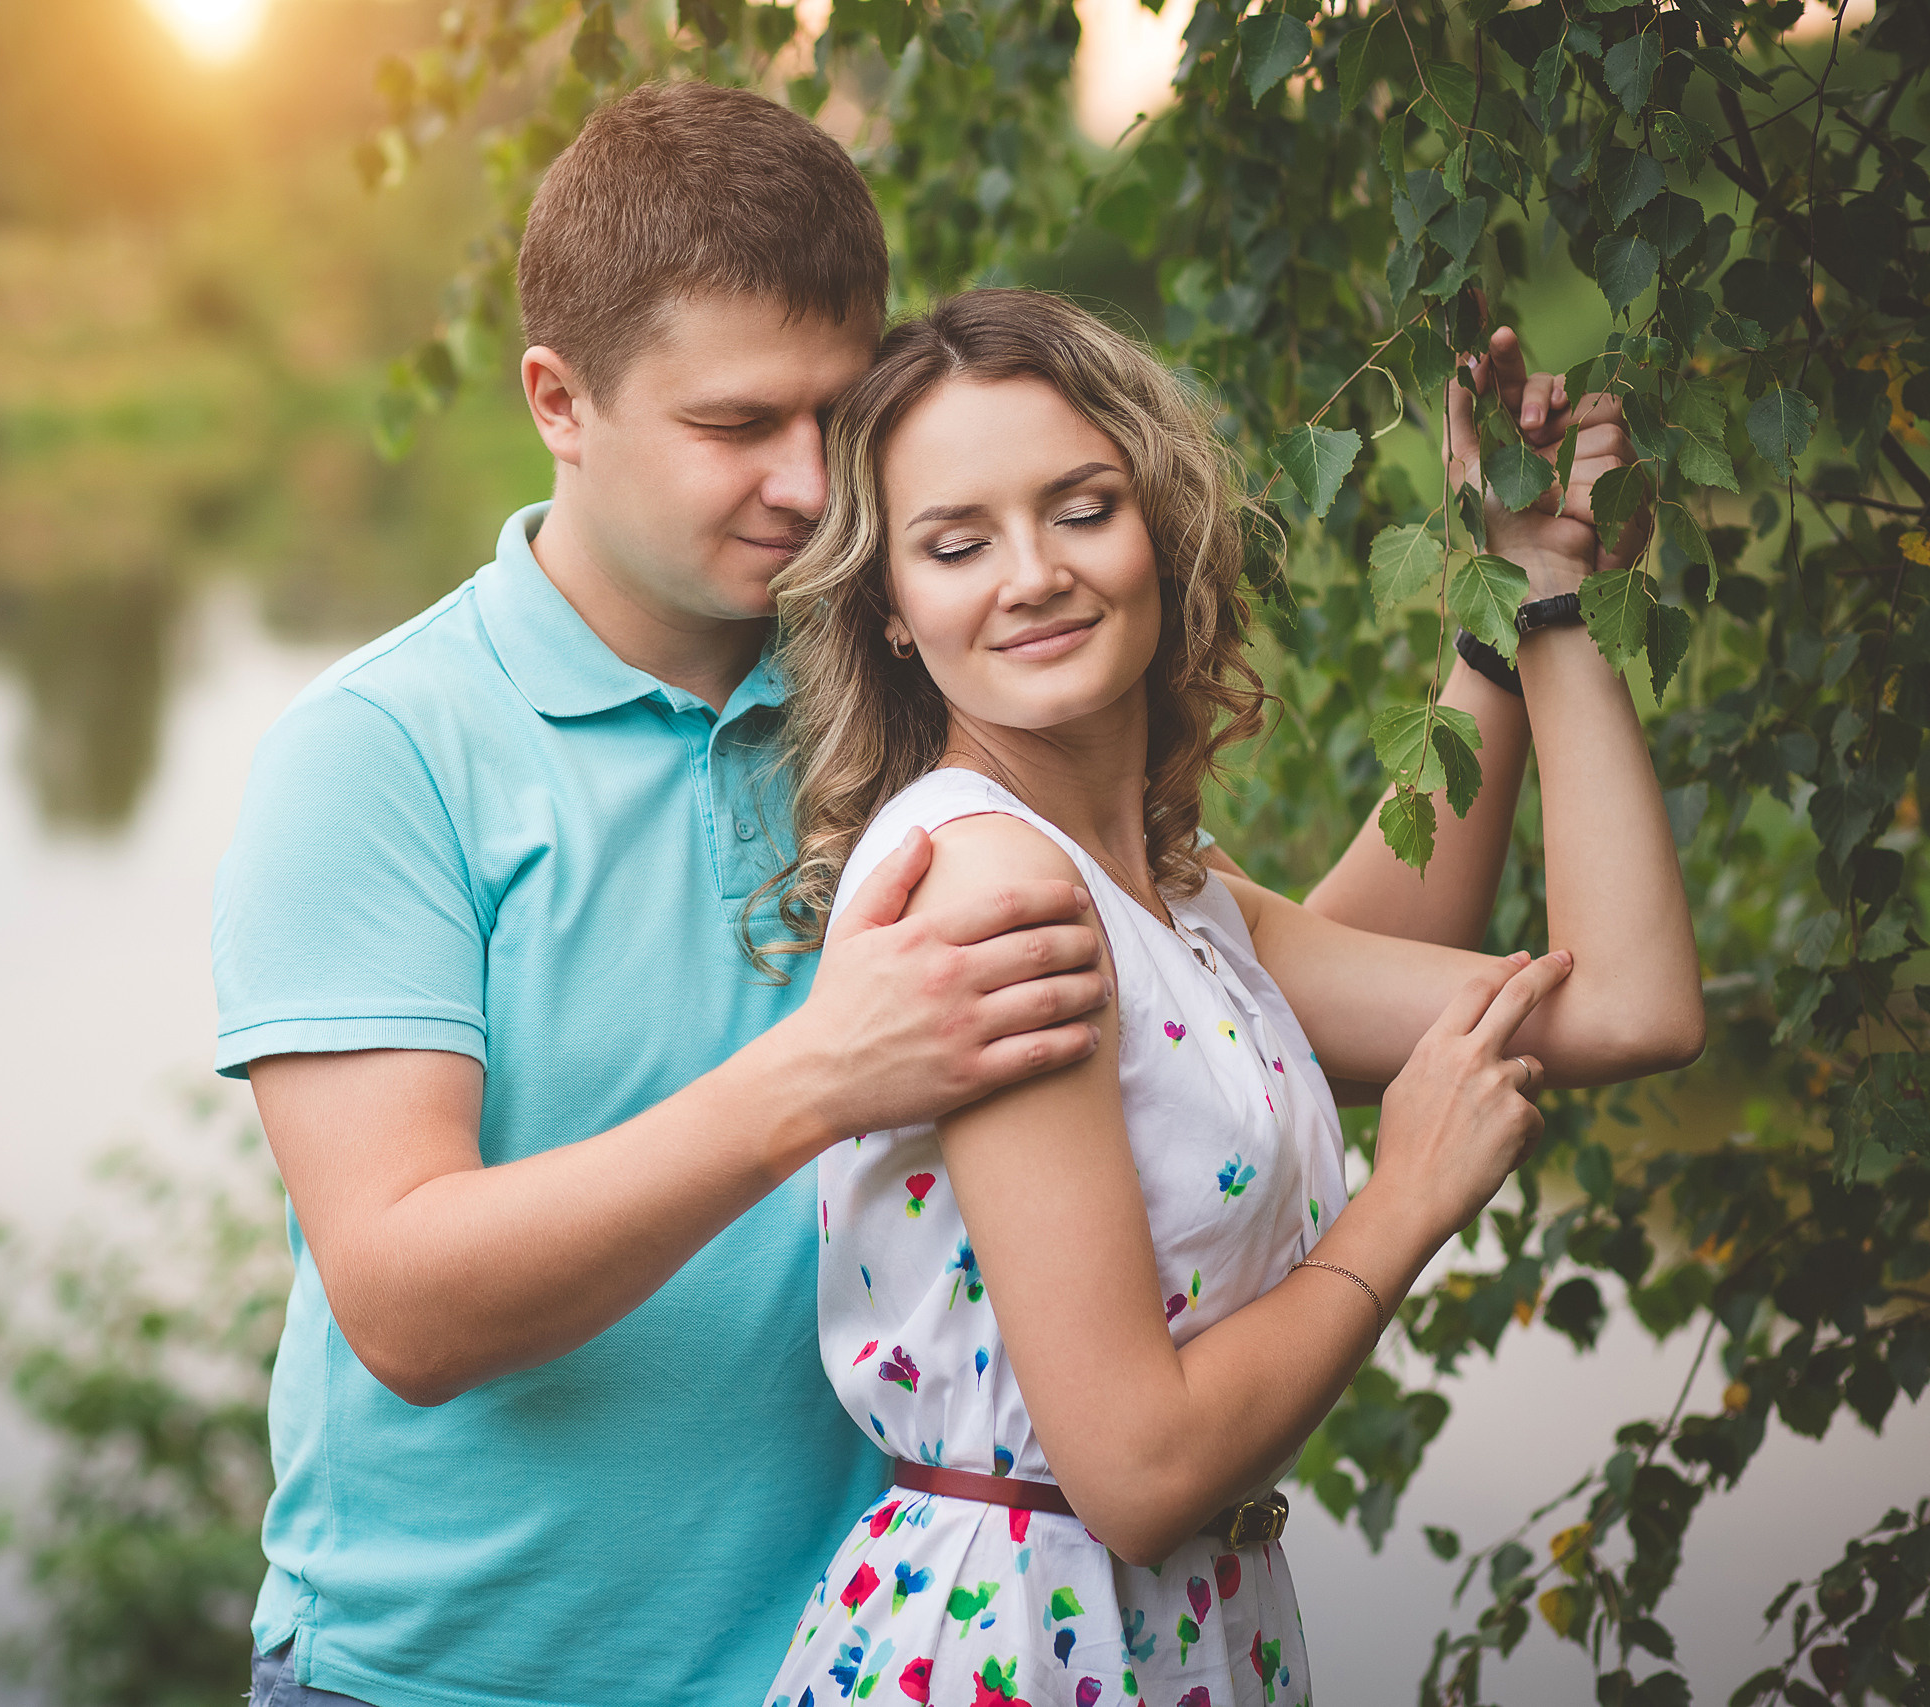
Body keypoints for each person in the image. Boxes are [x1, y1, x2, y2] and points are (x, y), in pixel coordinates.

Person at [213, 83, 1581, 1707]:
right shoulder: (381, 753)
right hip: (449, 1681)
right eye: (736, 426)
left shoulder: (911, 699)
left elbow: (1249, 984)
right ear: (557, 401)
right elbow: (406, 1303)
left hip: (855, 1654)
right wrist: (818, 1073)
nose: (805, 482)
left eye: (836, 414)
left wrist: (1498, 630)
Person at [754, 290, 1704, 1707]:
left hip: (1180, 1634)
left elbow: (1626, 1005)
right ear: (891, 610)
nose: (1032, 575)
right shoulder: (996, 892)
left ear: (1160, 528)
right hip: (1017, 1647)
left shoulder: (1170, 896)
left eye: (1081, 508)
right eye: (956, 543)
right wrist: (1404, 1201)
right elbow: (1135, 1474)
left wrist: (1535, 589)